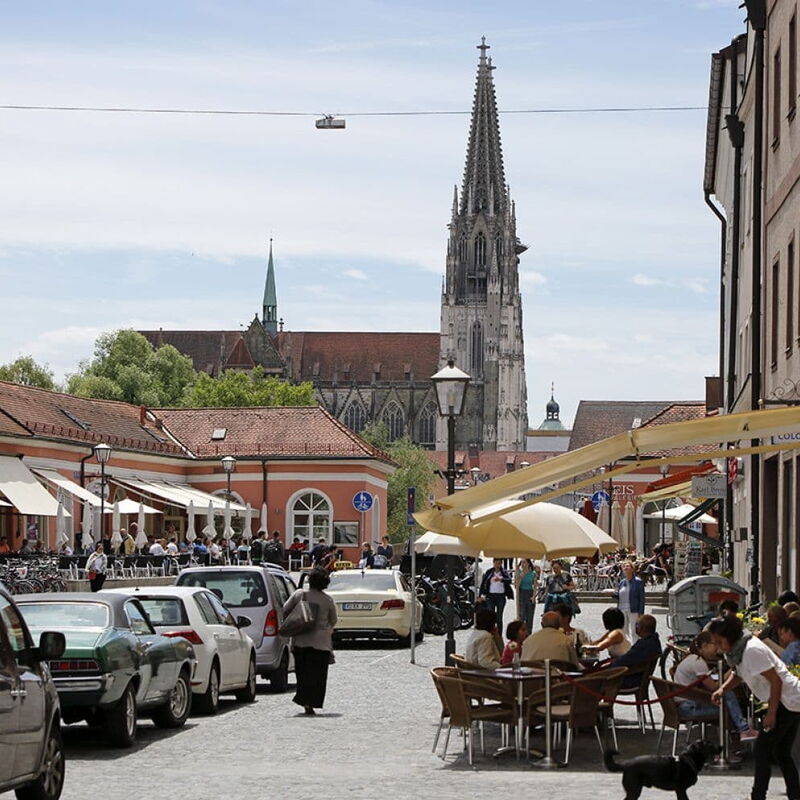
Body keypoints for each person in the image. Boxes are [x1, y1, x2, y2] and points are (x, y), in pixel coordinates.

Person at [710, 615, 800, 800]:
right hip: (787, 700)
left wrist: (771, 713)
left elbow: (775, 681)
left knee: (762, 750)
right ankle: (795, 794)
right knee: (781, 752)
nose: (718, 646)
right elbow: (738, 673)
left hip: (788, 700)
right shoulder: (739, 651)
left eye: (720, 641)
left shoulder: (751, 650)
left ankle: (758, 796)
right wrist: (722, 689)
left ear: (730, 636)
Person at [673, 630, 757, 742]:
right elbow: (715, 688)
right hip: (688, 707)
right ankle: (739, 734)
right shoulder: (698, 663)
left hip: (687, 704)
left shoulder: (693, 658)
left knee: (729, 704)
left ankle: (739, 733)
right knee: (728, 705)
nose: (717, 648)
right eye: (715, 644)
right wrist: (733, 670)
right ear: (705, 646)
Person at [282, 568, 338, 715]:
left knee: (302, 674)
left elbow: (285, 609)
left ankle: (304, 700)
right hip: (321, 643)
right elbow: (333, 620)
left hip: (301, 640)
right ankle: (311, 701)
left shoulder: (300, 594)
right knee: (317, 676)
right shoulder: (327, 600)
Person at [610, 614, 662, 689]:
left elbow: (624, 661)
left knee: (598, 680)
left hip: (630, 678)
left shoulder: (644, 645)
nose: (635, 627)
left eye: (637, 625)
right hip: (638, 675)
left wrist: (610, 665)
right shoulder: (653, 641)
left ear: (642, 628)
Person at [480, 558, 513, 631]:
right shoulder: (489, 572)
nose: (497, 565)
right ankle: (491, 633)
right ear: (493, 563)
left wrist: (501, 579)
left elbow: (509, 580)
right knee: (490, 616)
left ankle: (499, 635)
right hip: (490, 596)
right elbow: (483, 583)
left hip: (500, 596)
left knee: (499, 617)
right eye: (496, 563)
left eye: (499, 563)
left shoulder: (503, 572)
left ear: (501, 564)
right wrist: (481, 595)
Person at [615, 561, 645, 641]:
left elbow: (642, 598)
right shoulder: (622, 582)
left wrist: (641, 613)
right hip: (622, 609)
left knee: (634, 631)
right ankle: (627, 648)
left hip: (633, 609)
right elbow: (618, 595)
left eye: (628, 566)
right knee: (624, 631)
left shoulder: (638, 582)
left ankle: (636, 648)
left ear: (632, 569)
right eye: (624, 566)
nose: (625, 568)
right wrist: (611, 594)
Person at [517, 559, 538, 632]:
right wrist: (521, 577)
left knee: (529, 617)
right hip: (521, 593)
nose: (523, 564)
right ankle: (520, 633)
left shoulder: (533, 573)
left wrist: (534, 596)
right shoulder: (518, 572)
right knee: (521, 616)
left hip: (530, 593)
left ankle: (529, 634)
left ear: (528, 563)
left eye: (524, 562)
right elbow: (516, 586)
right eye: (521, 562)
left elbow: (535, 586)